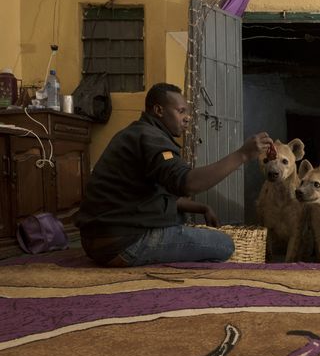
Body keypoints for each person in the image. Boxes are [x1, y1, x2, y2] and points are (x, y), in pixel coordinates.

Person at [75, 82, 273, 267]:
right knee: (224, 245)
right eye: (180, 111)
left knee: (179, 218)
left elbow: (153, 194)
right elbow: (187, 183)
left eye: (187, 112)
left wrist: (202, 207)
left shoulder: (136, 133)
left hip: (96, 242)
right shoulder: (152, 139)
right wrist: (243, 154)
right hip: (123, 244)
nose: (187, 117)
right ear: (159, 111)